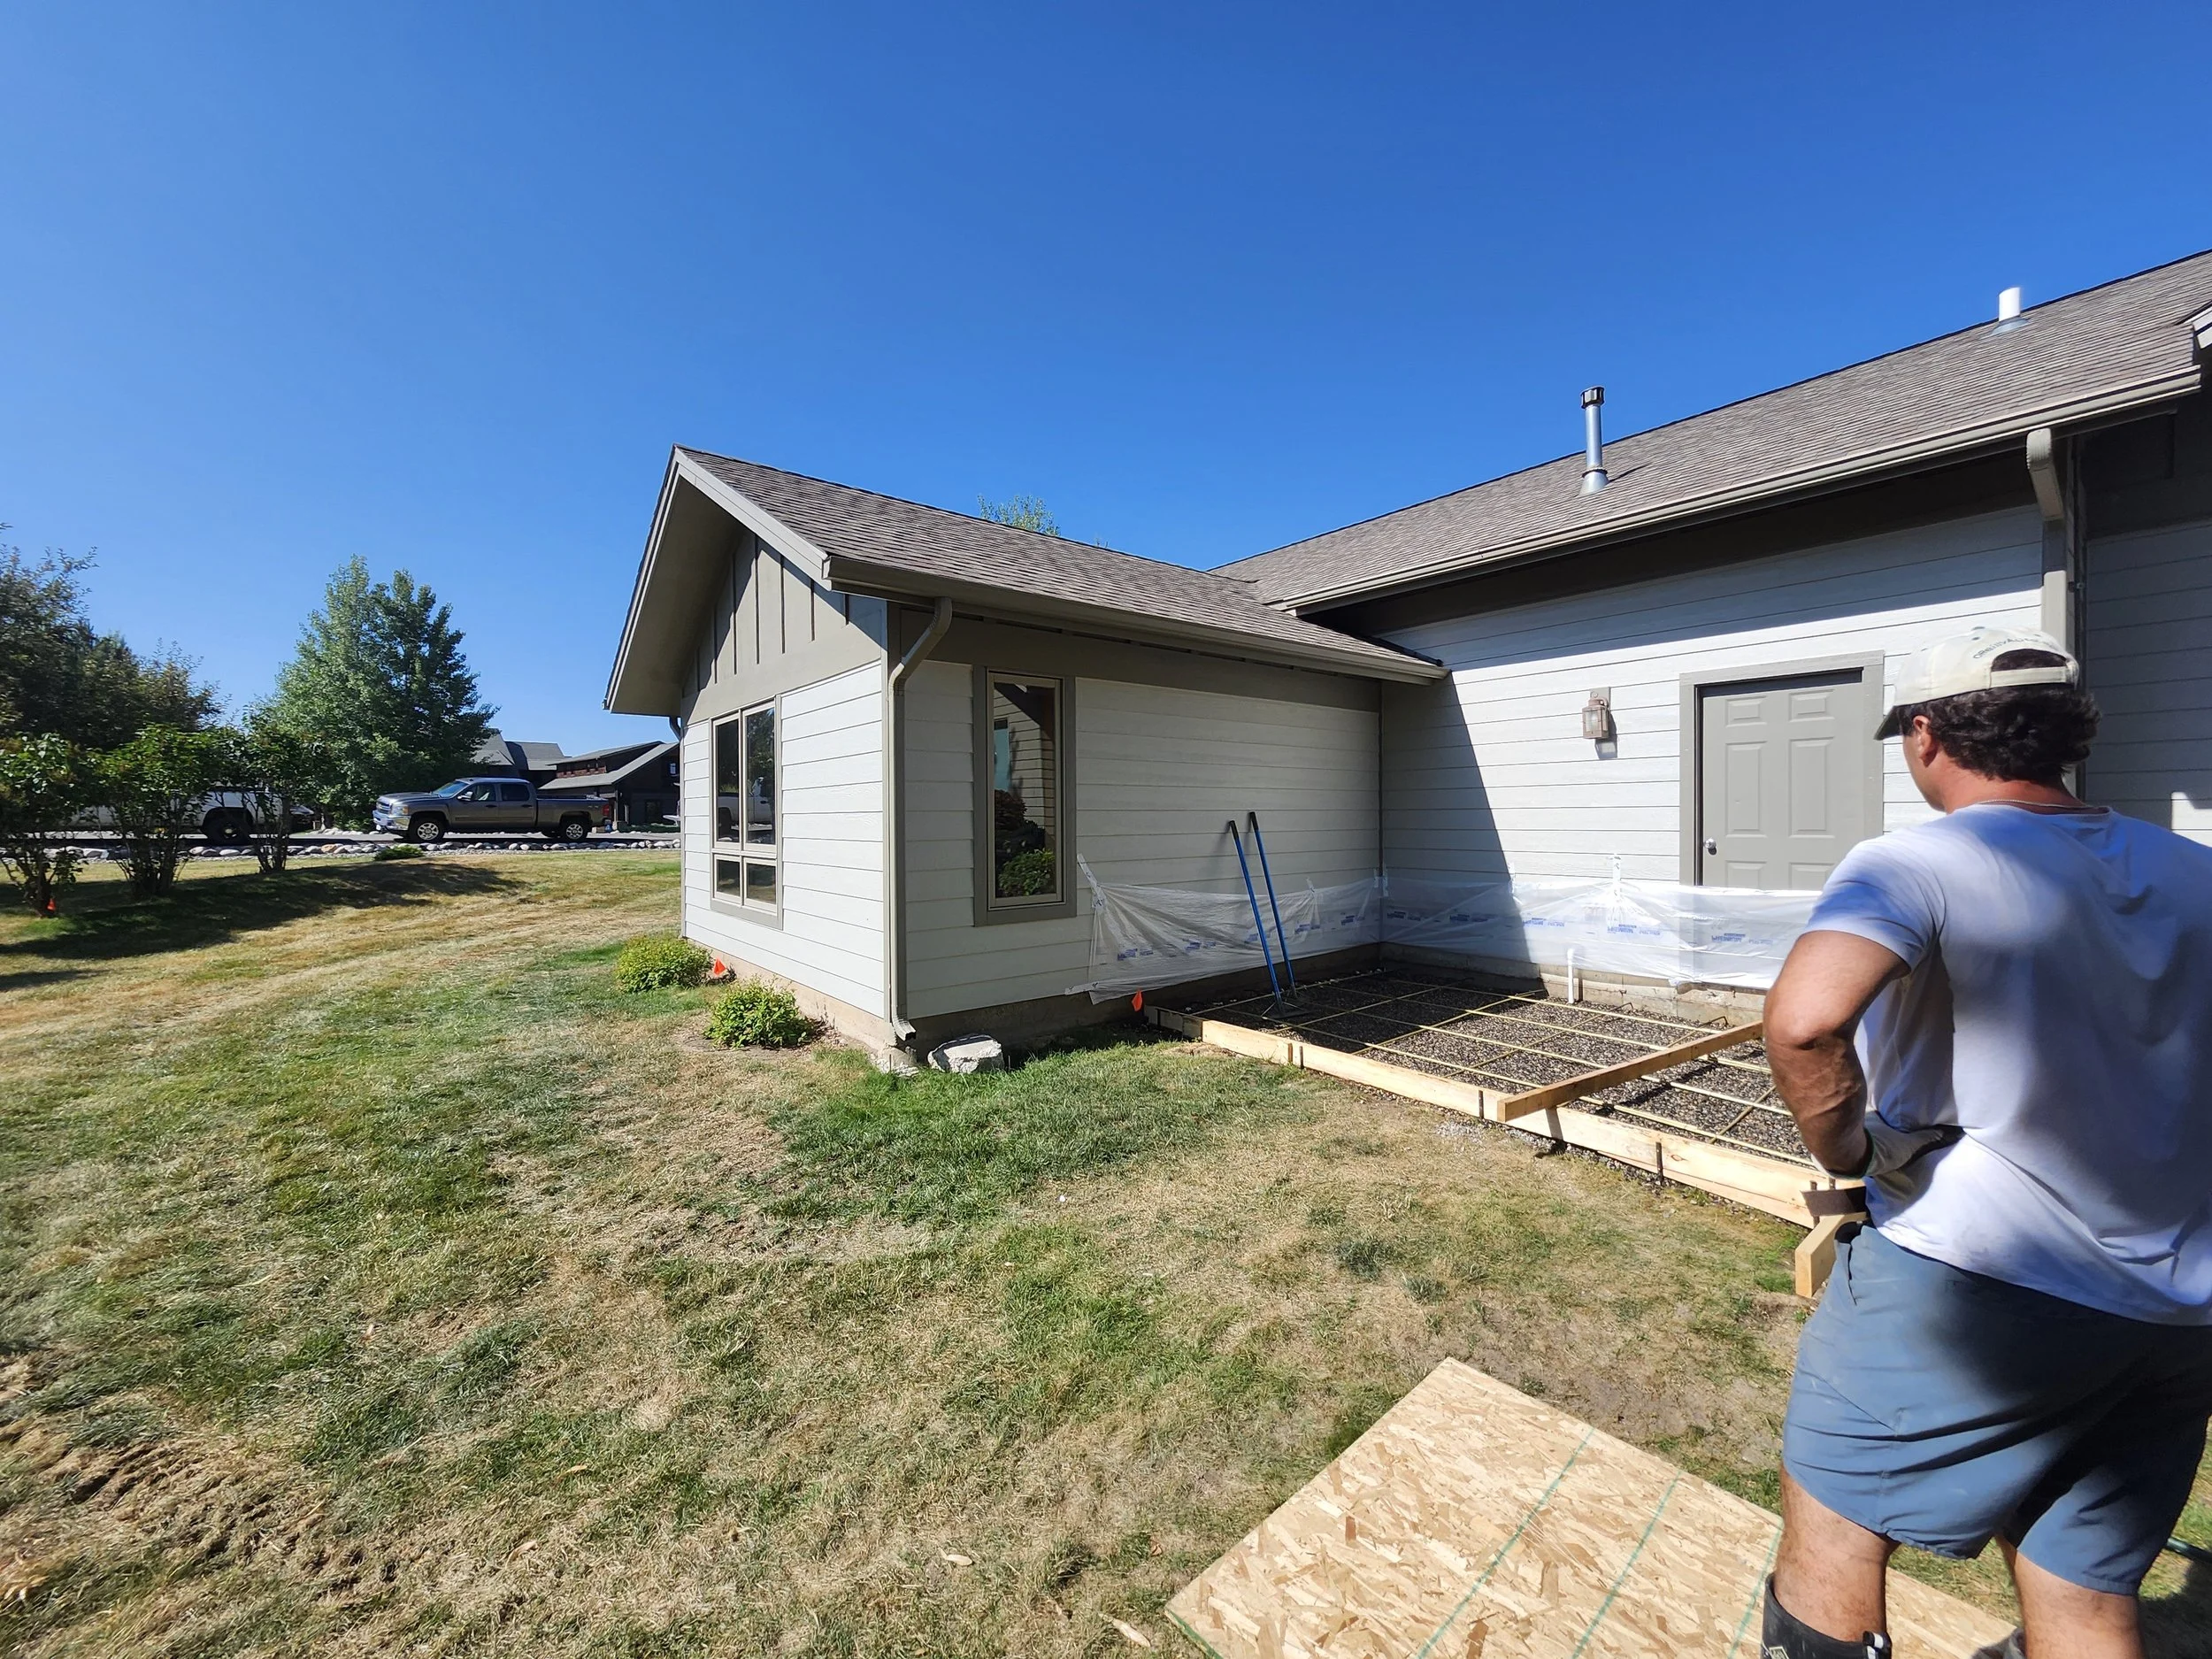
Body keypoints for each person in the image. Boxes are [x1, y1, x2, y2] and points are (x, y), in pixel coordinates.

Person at [1758, 625, 2212, 1659]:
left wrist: (1848, 1158)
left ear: (1926, 736)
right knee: (2083, 1587)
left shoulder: (1919, 860)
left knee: (1834, 1524)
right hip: (2180, 1310)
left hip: (1981, 1282)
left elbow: (1804, 1021)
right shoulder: (2194, 872)